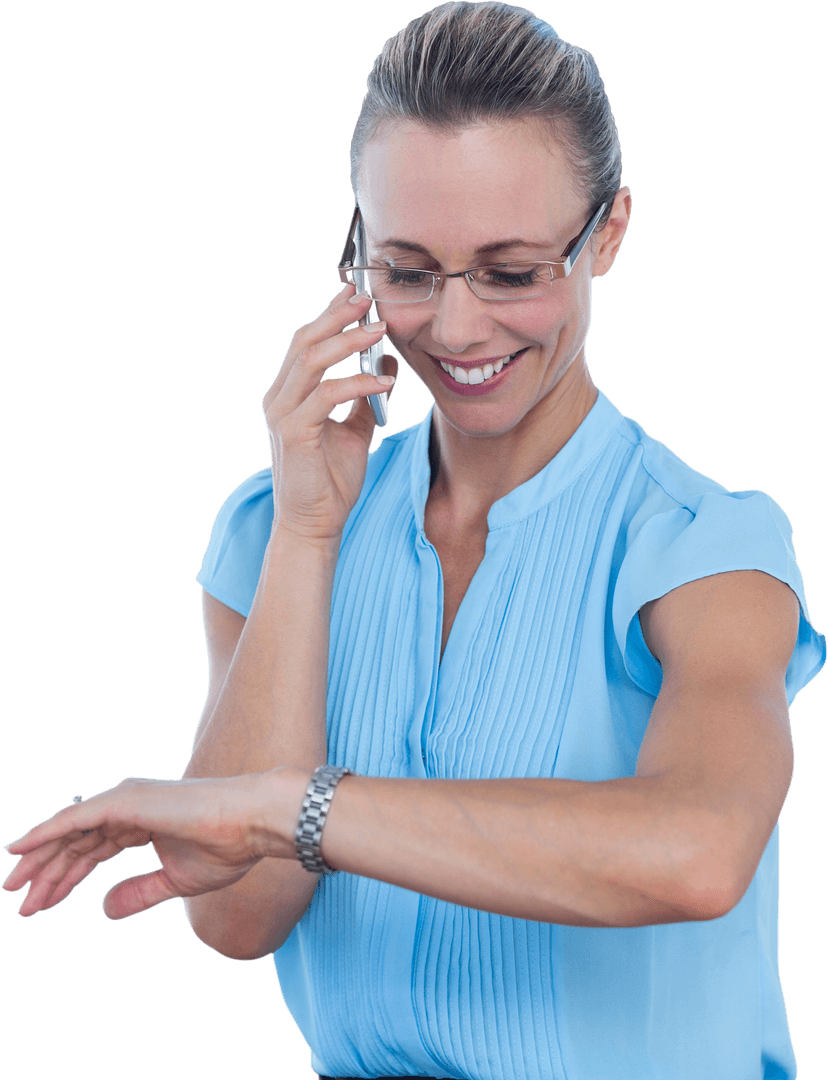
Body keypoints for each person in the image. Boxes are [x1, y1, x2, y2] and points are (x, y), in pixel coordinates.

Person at [3, 3, 825, 1078]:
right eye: (405, 267)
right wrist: (307, 529)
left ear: (608, 234)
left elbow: (697, 852)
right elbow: (238, 915)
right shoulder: (270, 529)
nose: (455, 326)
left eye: (513, 271)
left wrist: (287, 810)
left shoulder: (703, 547)